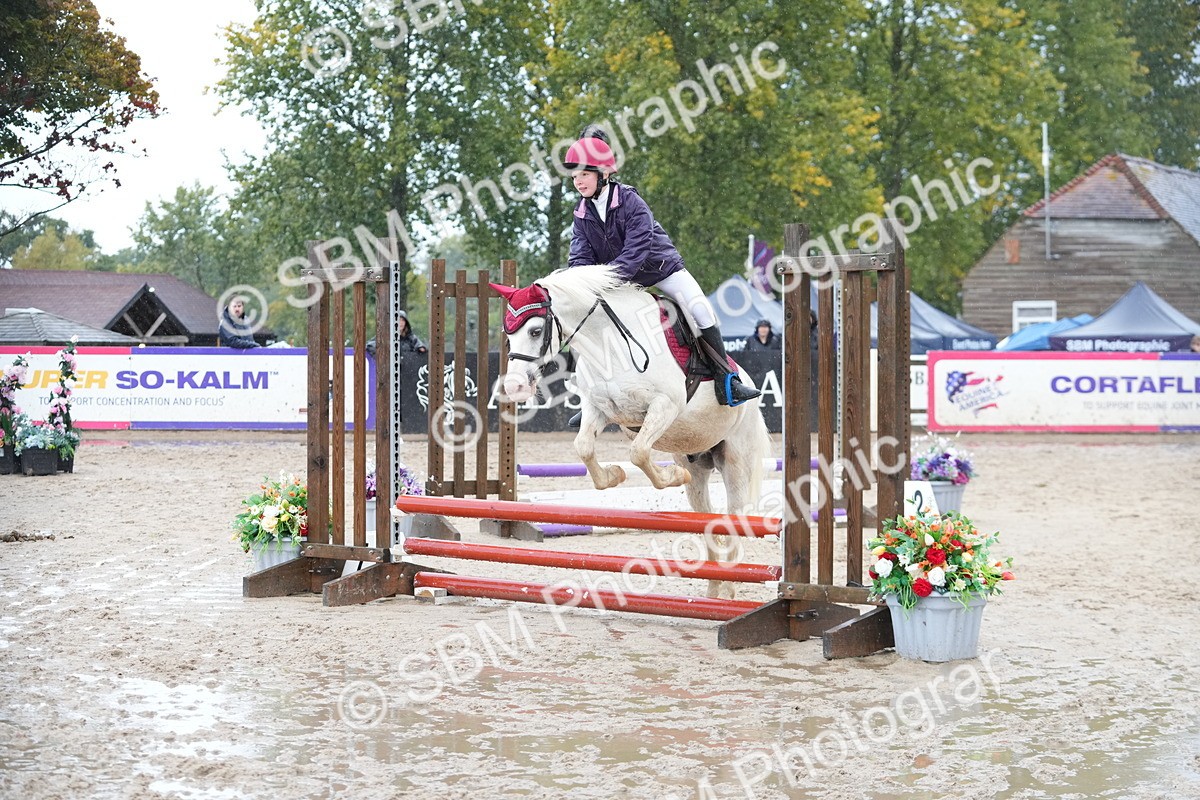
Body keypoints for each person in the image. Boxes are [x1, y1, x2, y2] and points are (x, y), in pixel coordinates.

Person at [563, 125, 760, 409]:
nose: (578, 182)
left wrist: (606, 280)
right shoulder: (581, 214)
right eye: (574, 177)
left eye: (584, 174)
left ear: (603, 174)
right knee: (586, 317)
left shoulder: (631, 202)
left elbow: (636, 252)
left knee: (700, 309)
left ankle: (727, 380)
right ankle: (589, 401)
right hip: (621, 280)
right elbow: (579, 258)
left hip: (661, 270)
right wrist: (581, 287)